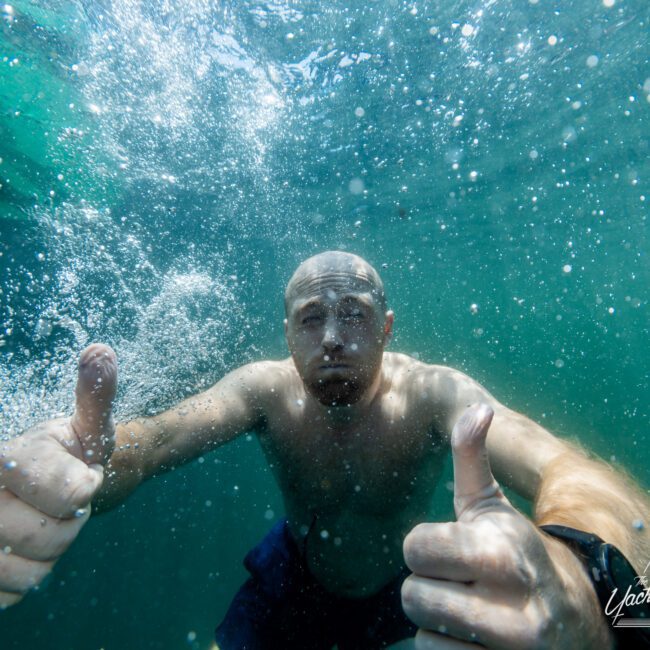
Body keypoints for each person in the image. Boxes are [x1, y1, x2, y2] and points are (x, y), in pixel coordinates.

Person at [0, 251, 648, 649]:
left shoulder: (434, 395)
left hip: (406, 586)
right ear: (286, 333)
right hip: (293, 581)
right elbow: (152, 444)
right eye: (312, 317)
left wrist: (584, 578)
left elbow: (576, 471)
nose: (333, 337)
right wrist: (87, 460)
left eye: (355, 314)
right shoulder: (264, 391)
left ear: (388, 328)